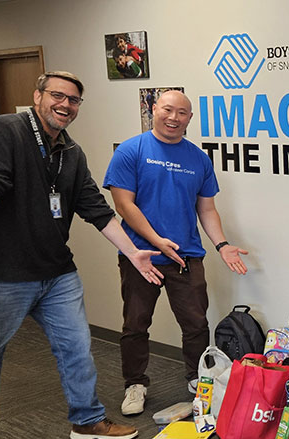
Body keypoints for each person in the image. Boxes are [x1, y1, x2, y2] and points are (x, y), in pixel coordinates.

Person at [0, 71, 163, 439]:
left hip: (58, 274)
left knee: (77, 347)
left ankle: (87, 420)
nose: (65, 105)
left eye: (74, 100)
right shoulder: (5, 131)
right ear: (38, 96)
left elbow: (96, 210)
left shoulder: (71, 152)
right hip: (4, 275)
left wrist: (132, 253)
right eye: (58, 96)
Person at [103, 90, 249, 416]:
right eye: (167, 110)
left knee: (196, 323)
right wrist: (156, 241)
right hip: (141, 256)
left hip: (187, 255)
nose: (173, 118)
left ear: (190, 118)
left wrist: (222, 245)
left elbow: (207, 209)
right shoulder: (131, 151)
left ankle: (198, 381)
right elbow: (123, 204)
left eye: (182, 113)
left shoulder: (198, 158)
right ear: (154, 110)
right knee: (136, 323)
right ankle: (135, 384)